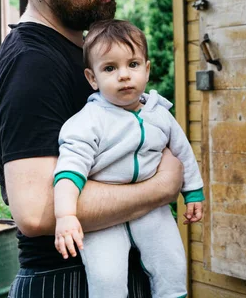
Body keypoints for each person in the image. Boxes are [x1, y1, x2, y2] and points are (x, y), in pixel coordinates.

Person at [0, 0, 184, 297]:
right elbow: (36, 211)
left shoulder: (80, 53)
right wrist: (161, 188)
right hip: (65, 281)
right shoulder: (33, 64)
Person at [53, 19, 204, 298]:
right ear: (92, 78)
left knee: (171, 263)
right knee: (105, 276)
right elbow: (68, 171)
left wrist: (193, 193)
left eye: (133, 65)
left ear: (146, 70)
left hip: (152, 210)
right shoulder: (87, 122)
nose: (124, 75)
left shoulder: (159, 114)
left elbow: (183, 153)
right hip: (104, 216)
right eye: (110, 68)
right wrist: (66, 215)